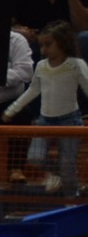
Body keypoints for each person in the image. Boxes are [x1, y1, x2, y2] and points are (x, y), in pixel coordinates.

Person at [5, 21, 88, 194]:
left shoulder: (76, 64)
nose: (43, 50)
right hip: (44, 120)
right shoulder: (41, 66)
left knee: (67, 165)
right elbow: (33, 90)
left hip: (70, 121)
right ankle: (60, 173)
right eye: (41, 45)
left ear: (63, 43)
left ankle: (71, 202)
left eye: (48, 45)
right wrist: (12, 109)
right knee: (35, 157)